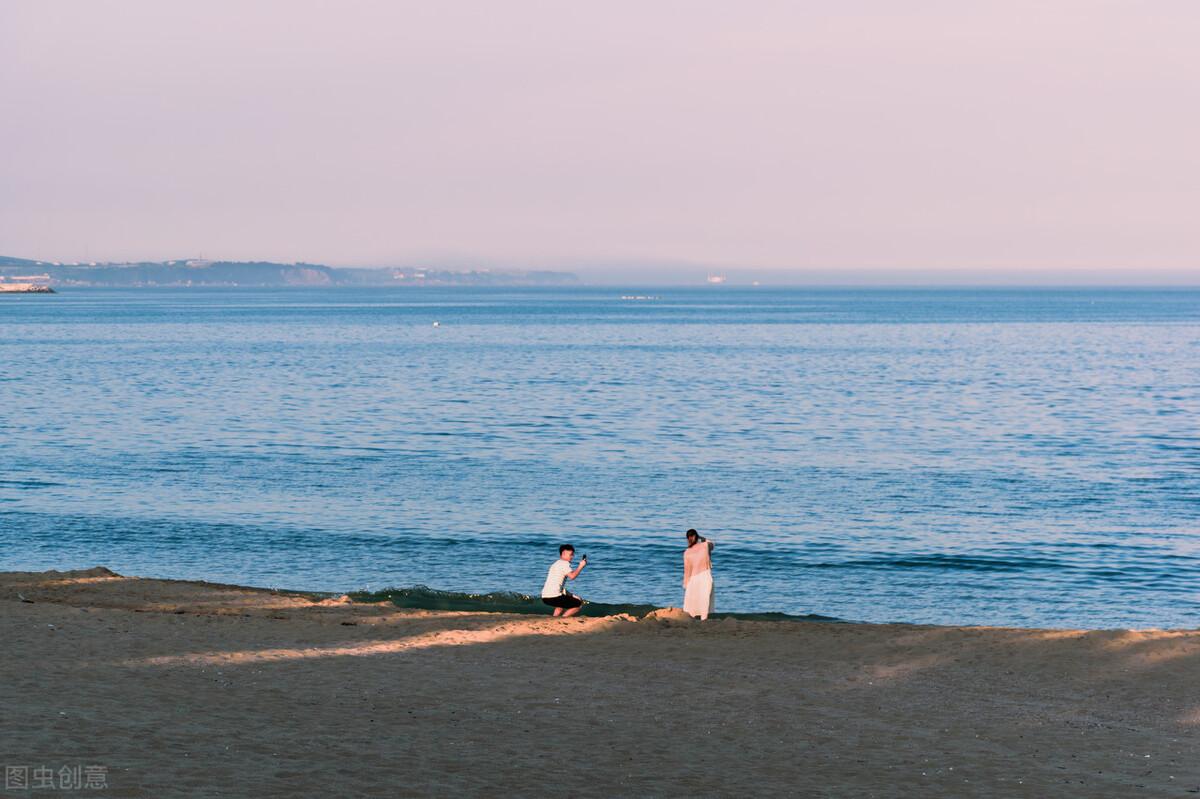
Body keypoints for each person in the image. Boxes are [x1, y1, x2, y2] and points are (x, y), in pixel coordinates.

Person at [541, 544, 588, 617]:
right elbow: (572, 576)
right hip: (554, 596)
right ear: (563, 554)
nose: (572, 557)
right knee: (579, 604)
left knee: (560, 606)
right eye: (570, 555)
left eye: (573, 555)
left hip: (545, 597)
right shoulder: (564, 563)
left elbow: (557, 584)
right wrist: (581, 566)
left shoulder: (556, 563)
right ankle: (563, 619)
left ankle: (554, 619)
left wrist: (571, 595)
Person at [683, 528, 714, 620]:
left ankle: (691, 618)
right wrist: (701, 537)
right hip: (705, 576)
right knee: (704, 600)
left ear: (687, 538)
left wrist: (685, 583)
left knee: (692, 602)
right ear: (696, 537)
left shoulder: (687, 552)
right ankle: (704, 619)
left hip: (693, 578)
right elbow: (712, 544)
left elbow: (687, 570)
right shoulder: (705, 545)